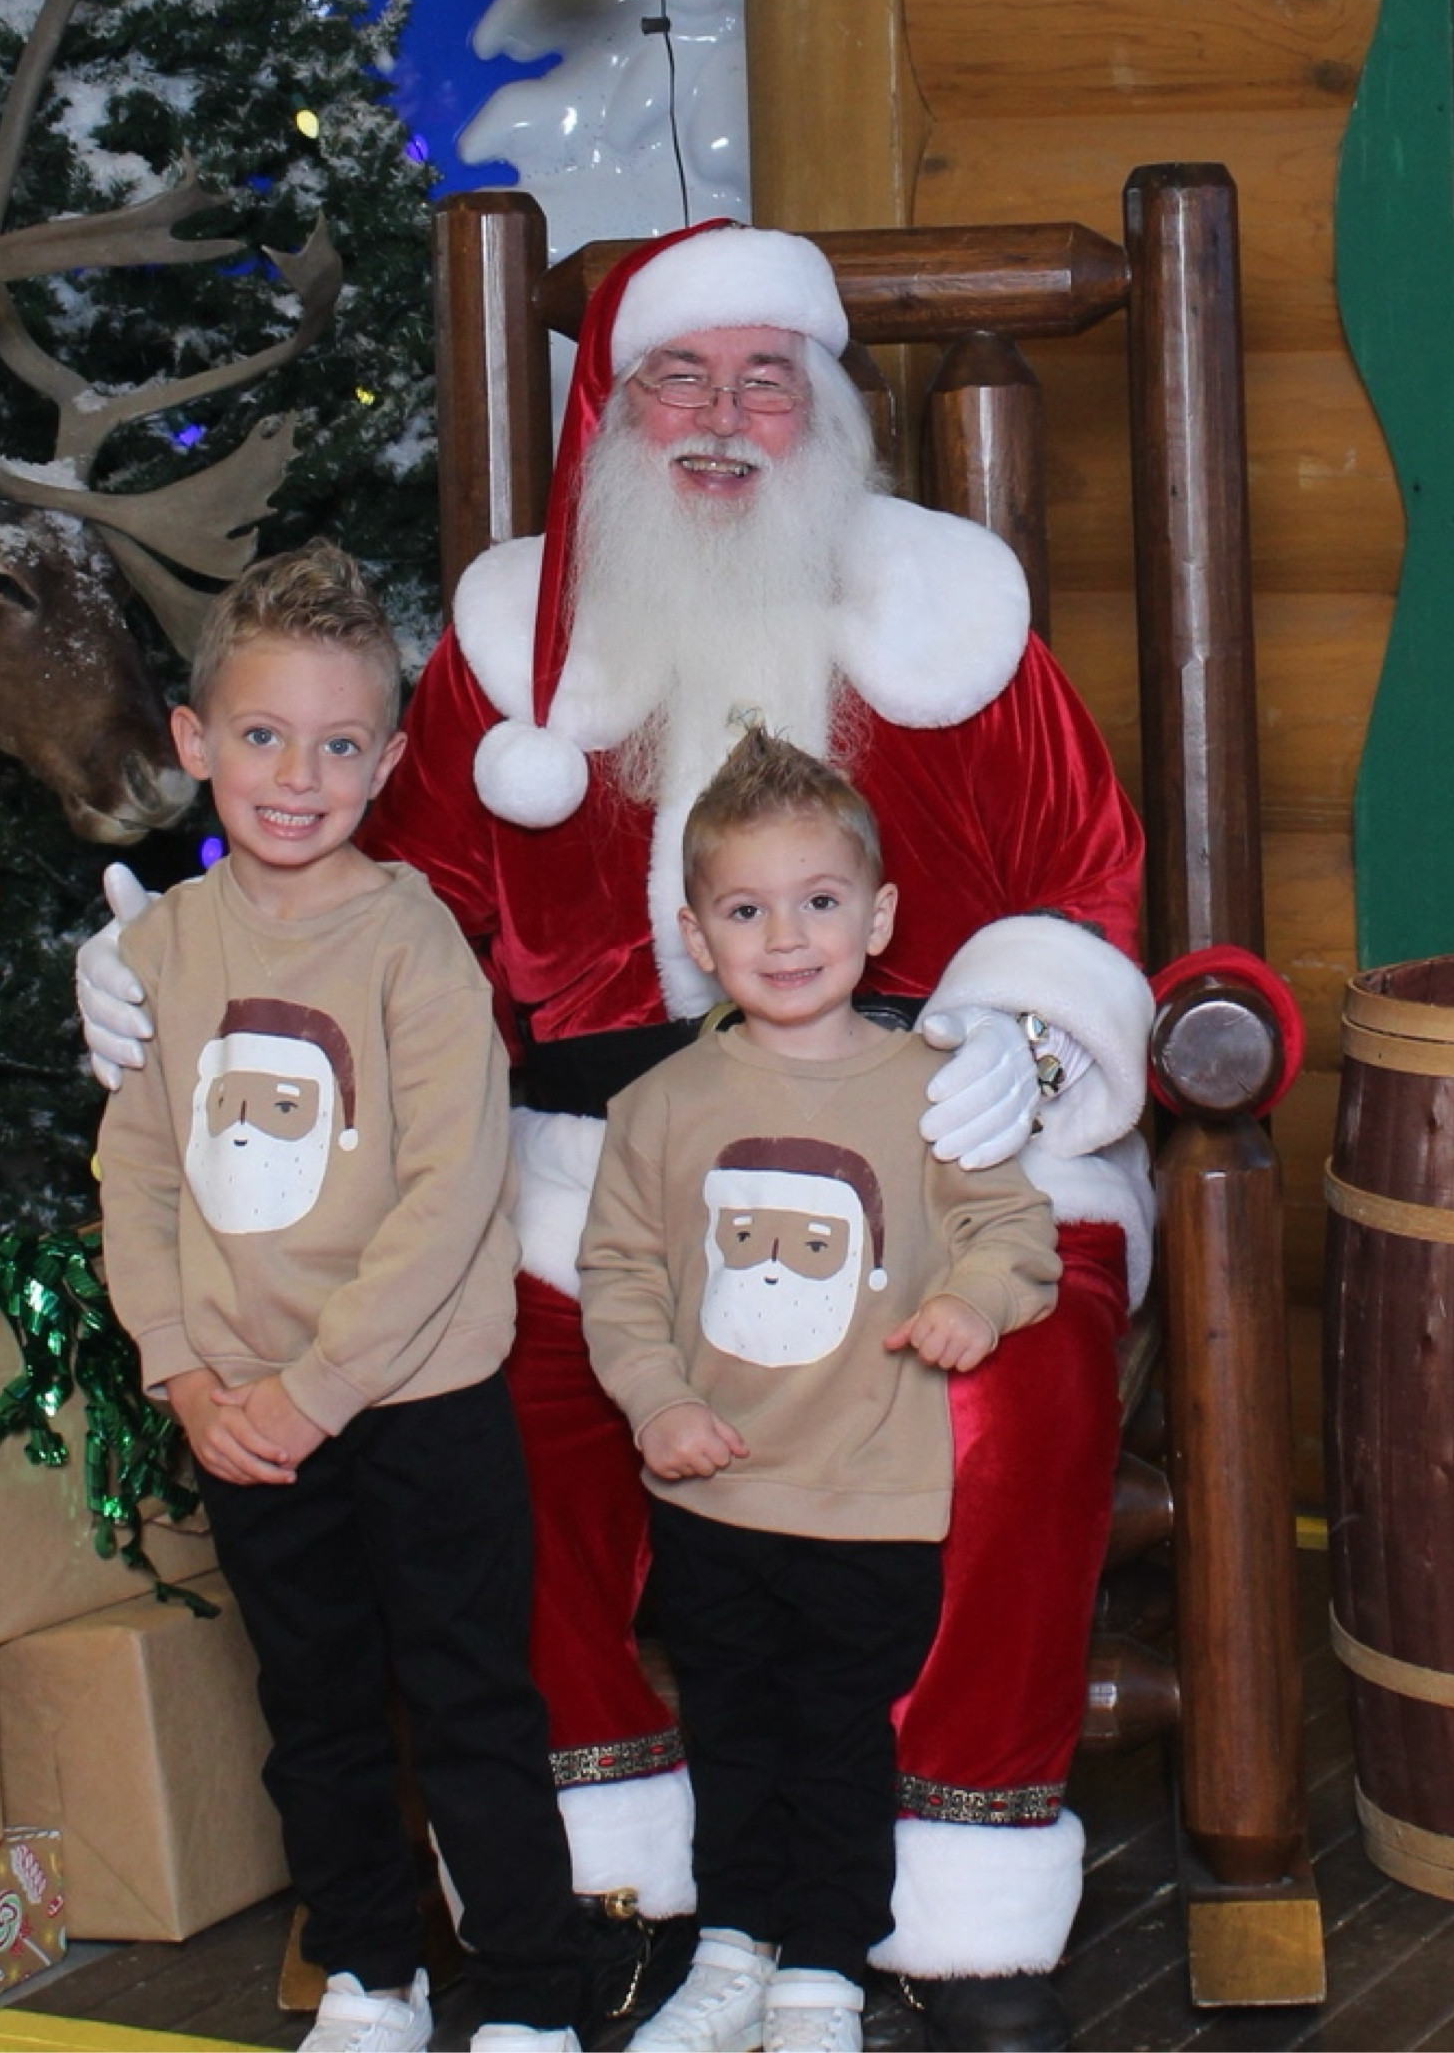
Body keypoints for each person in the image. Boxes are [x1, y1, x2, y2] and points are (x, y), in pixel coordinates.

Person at [81, 223, 1157, 2053]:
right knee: (477, 1402)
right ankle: (605, 1881)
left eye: (766, 380)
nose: (725, 420)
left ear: (823, 410)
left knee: (1006, 1387)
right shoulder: (518, 662)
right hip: (594, 1176)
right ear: (614, 409)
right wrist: (154, 984)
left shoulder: (957, 638)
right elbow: (355, 909)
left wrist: (1034, 1050)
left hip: (931, 1150)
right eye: (680, 376)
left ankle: (951, 1889)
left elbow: (1085, 885)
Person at [94, 544, 614, 2053]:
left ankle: (529, 1992)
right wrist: (189, 1375)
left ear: (387, 763)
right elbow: (137, 1176)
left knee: (468, 1700)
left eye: (337, 745)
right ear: (196, 746)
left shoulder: (413, 947)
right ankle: (371, 1977)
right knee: (313, 1712)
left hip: (412, 1401)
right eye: (261, 736)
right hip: (245, 1411)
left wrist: (320, 1392)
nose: (297, 774)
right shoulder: (166, 951)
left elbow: (451, 1197)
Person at [580, 730, 1064, 2053]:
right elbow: (617, 1275)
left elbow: (1016, 1232)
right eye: (746, 908)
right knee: (732, 1734)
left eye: (819, 901)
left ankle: (827, 1975)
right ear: (695, 930)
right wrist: (657, 1400)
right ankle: (733, 1950)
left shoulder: (927, 1095)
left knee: (840, 1742)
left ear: (879, 914)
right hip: (714, 1487)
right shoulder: (661, 1105)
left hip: (870, 1494)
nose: (785, 936)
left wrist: (974, 1299)